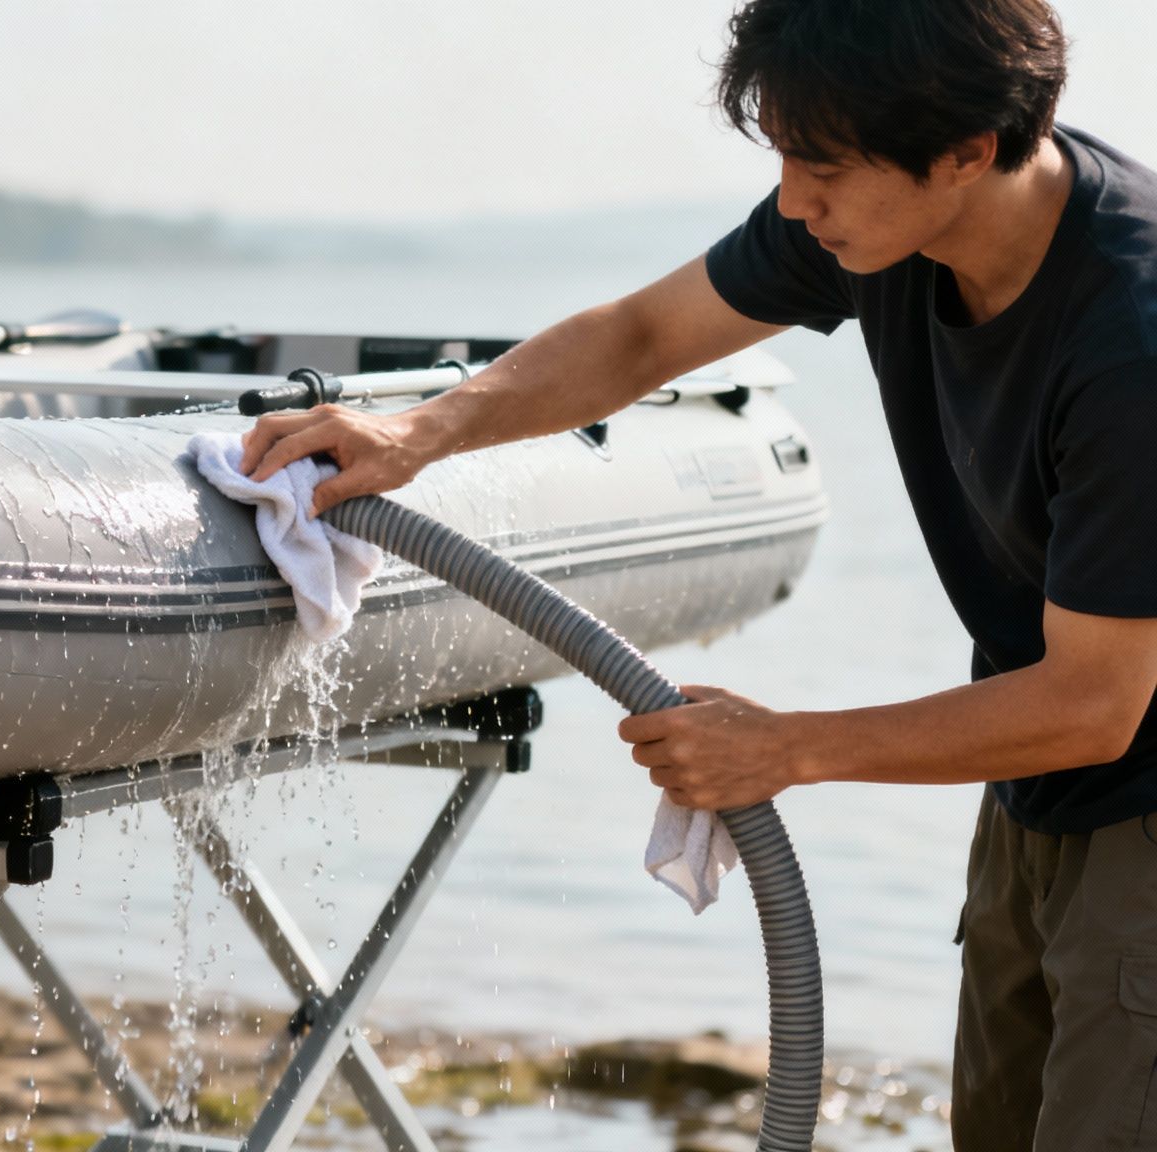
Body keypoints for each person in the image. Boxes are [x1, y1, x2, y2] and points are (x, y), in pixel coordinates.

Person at [239, 0, 1157, 1147]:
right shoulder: (875, 222)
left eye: (817, 166)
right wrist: (417, 433)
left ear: (966, 152)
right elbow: (637, 337)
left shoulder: (1130, 337)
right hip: (1032, 782)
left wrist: (788, 747)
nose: (789, 200)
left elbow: (1096, 705)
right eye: (779, 156)